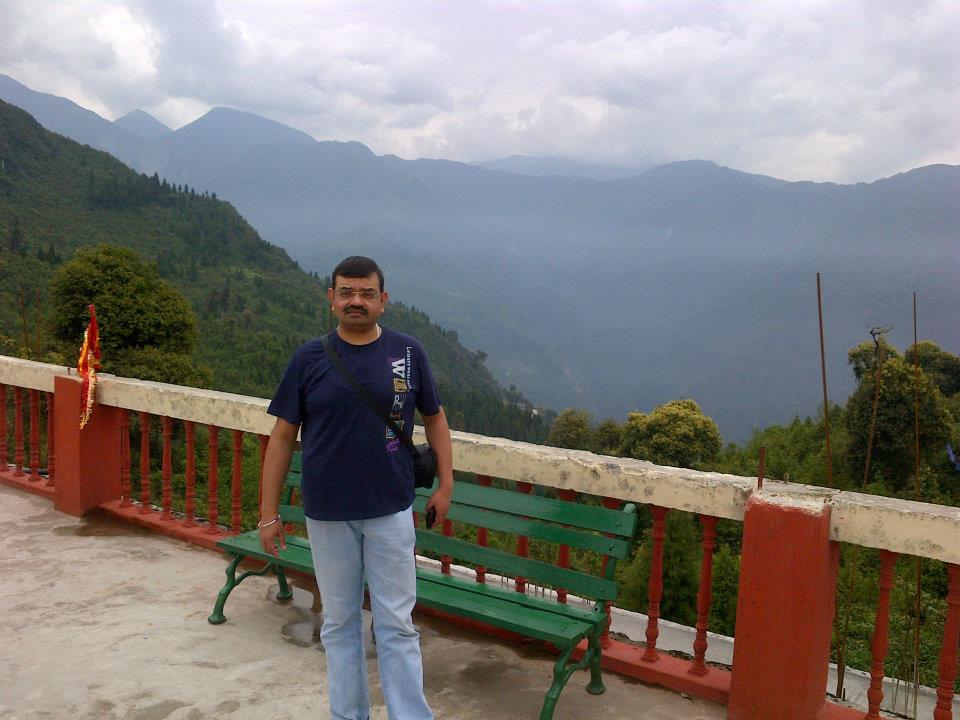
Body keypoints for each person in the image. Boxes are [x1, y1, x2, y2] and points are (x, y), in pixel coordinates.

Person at [257, 255, 453, 720]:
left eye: (366, 293)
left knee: (396, 624)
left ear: (383, 300)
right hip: (328, 512)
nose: (356, 301)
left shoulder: (408, 352)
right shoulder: (308, 359)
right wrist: (268, 514)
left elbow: (435, 418)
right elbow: (282, 437)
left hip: (390, 508)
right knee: (339, 622)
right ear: (332, 299)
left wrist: (445, 484)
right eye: (346, 292)